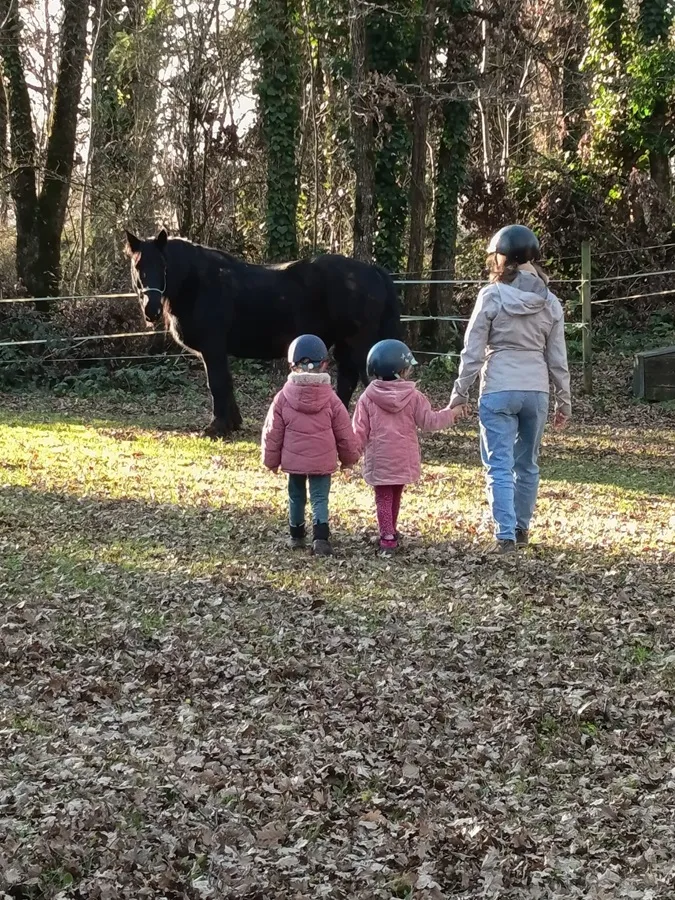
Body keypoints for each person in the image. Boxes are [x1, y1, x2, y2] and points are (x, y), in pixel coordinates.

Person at [449, 224, 572, 554]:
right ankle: (520, 529)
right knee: (527, 464)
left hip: (499, 387)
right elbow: (557, 358)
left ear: (500, 258)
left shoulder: (491, 295)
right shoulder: (550, 302)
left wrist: (460, 392)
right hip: (536, 390)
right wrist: (564, 400)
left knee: (499, 464)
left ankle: (504, 535)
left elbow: (473, 350)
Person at [352, 339, 461, 554]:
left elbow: (358, 430)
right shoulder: (414, 397)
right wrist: (451, 413)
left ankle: (387, 535)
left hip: (380, 460)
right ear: (401, 370)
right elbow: (429, 421)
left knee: (383, 496)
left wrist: (350, 455)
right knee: (395, 494)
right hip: (403, 459)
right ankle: (390, 531)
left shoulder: (367, 398)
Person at [262, 334, 359, 556]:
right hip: (322, 460)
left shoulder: (282, 398)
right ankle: (321, 538)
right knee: (320, 498)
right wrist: (349, 459)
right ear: (324, 364)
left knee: (296, 496)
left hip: (294, 460)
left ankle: (296, 536)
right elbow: (344, 432)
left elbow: (272, 432)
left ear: (291, 365)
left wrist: (270, 461)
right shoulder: (332, 399)